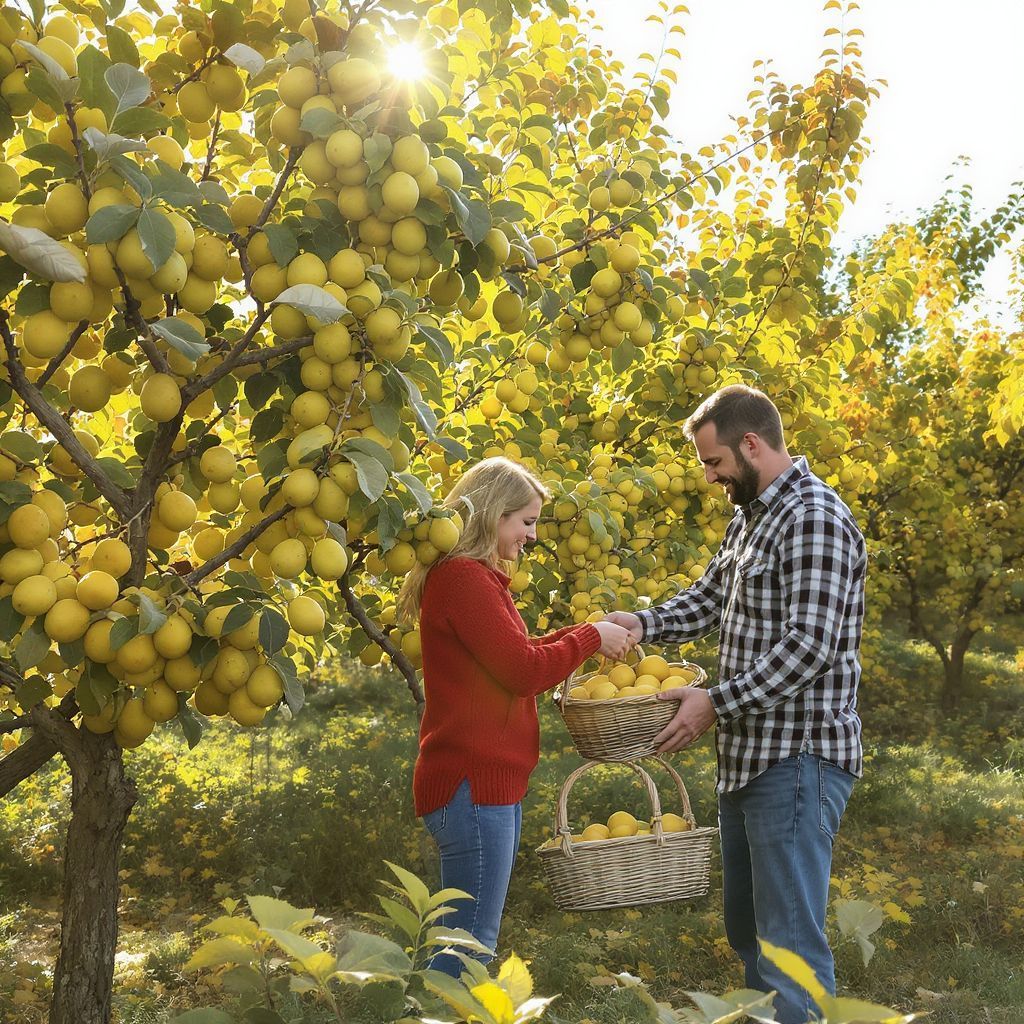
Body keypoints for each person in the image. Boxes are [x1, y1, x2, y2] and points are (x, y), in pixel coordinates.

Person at [604, 385, 865, 1024]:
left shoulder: (813, 517)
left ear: (751, 444)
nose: (711, 477)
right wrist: (639, 624)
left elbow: (812, 647)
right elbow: (709, 601)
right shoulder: (753, 516)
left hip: (798, 757)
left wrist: (714, 703)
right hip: (750, 759)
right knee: (750, 936)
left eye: (714, 462)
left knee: (789, 947)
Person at [399, 456, 635, 977]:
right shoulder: (464, 579)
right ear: (491, 514)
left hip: (478, 786)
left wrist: (587, 630)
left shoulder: (473, 579)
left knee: (462, 936)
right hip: (472, 785)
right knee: (468, 945)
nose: (531, 536)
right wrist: (591, 636)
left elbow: (513, 654)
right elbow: (522, 670)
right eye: (525, 522)